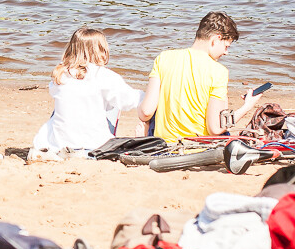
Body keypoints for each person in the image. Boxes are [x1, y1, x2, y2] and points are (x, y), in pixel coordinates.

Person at [137, 11, 262, 141]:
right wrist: (247, 106)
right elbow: (216, 128)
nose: (226, 53)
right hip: (196, 149)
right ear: (216, 39)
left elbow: (146, 112)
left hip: (163, 146)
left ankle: (144, 137)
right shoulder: (219, 71)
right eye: (226, 46)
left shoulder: (164, 58)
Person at [28, 27, 142, 160]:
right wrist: (149, 94)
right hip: (95, 145)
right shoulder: (104, 76)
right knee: (114, 102)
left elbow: (54, 92)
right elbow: (129, 101)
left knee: (65, 103)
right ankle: (88, 146)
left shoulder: (61, 74)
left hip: (59, 144)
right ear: (102, 51)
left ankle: (58, 147)